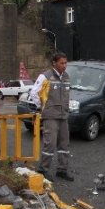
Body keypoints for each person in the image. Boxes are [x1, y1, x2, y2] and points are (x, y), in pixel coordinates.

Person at [30, 52, 74, 182]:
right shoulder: (45, 76)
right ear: (54, 63)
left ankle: (62, 170)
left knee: (64, 144)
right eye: (62, 63)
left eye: (66, 63)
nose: (64, 66)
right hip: (50, 116)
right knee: (50, 144)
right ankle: (43, 170)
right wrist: (43, 106)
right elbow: (34, 93)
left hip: (63, 115)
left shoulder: (66, 77)